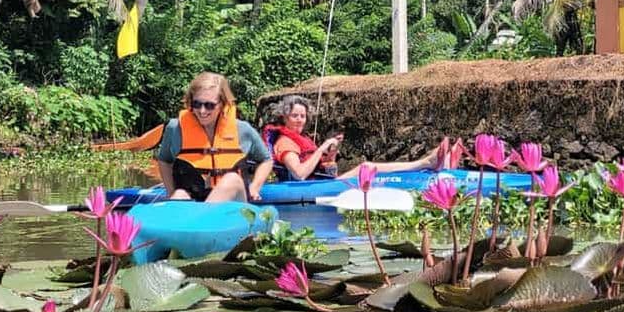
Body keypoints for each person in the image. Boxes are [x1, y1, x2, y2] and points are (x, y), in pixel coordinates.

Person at [156, 72, 274, 202]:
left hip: (234, 205)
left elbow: (266, 160)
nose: (202, 111)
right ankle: (198, 217)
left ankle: (207, 215)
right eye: (197, 104)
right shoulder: (174, 128)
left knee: (232, 179)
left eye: (209, 105)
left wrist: (255, 187)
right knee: (179, 194)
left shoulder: (243, 129)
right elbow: (164, 160)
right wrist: (171, 191)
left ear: (223, 104)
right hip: (194, 204)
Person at [265, 95, 437, 180]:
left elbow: (318, 164)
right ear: (284, 117)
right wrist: (322, 148)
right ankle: (424, 163)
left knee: (367, 167)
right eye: (295, 116)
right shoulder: (285, 142)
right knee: (366, 167)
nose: (300, 120)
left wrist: (330, 153)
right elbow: (299, 174)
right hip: (309, 187)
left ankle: (426, 164)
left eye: (302, 116)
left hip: (320, 183)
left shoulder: (301, 138)